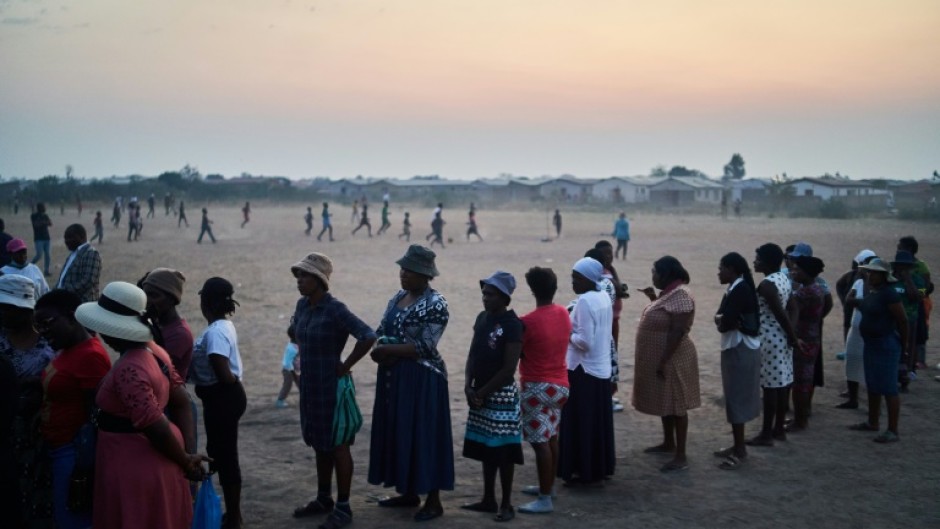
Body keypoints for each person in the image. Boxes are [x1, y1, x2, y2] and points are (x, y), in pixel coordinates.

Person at [74, 282, 208, 528]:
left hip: (135, 467)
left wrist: (186, 460)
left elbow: (153, 424)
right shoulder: (155, 351)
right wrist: (186, 453)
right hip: (161, 460)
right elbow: (182, 402)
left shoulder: (129, 368)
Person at [289, 253, 377, 529]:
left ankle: (343, 506)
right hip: (310, 387)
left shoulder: (335, 309)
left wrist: (346, 364)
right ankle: (323, 498)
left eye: (305, 276)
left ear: (319, 280)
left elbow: (368, 335)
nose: (299, 281)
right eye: (299, 276)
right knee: (319, 443)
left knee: (339, 445)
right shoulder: (302, 306)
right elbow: (293, 332)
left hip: (332, 388)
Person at [368, 245, 454, 522]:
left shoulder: (436, 304)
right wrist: (380, 347)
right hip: (395, 377)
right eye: (402, 269)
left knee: (424, 435)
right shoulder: (398, 297)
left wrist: (386, 352)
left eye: (409, 271)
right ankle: (408, 492)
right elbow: (382, 330)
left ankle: (433, 500)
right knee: (401, 433)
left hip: (422, 379)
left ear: (424, 275)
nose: (403, 274)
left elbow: (425, 347)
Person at [35, 289, 112, 529]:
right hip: (59, 450)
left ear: (72, 317)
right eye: (39, 327)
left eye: (47, 323)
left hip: (73, 455)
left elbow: (96, 417)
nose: (44, 332)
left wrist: (83, 470)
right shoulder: (67, 349)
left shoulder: (90, 356)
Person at [462, 271, 523, 522]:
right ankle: (489, 498)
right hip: (479, 393)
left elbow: (509, 369)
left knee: (503, 452)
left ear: (504, 297)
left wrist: (480, 392)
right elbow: (472, 354)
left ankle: (506, 503)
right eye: (484, 293)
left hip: (501, 396)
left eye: (490, 294)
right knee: (487, 448)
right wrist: (468, 385)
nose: (485, 298)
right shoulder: (482, 318)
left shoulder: (513, 325)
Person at [633, 256, 700, 472]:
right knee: (666, 399)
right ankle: (668, 443)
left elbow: (678, 330)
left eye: (655, 272)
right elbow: (664, 317)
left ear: (666, 273)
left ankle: (681, 455)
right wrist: (652, 298)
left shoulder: (681, 295)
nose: (652, 276)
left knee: (677, 403)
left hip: (674, 358)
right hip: (666, 358)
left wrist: (663, 360)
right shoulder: (671, 293)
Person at [190, 277, 246, 528]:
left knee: (225, 456)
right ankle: (232, 514)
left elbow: (221, 369)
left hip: (223, 396)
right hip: (224, 396)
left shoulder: (215, 332)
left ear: (206, 304)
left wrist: (232, 380)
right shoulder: (224, 325)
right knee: (221, 453)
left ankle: (234, 517)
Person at [1, 275, 56, 526]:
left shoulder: (50, 345)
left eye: (7, 308)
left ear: (25, 309)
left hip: (37, 437)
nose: (2, 313)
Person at [517, 267, 571, 514]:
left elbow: (517, 351)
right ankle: (548, 486)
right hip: (560, 385)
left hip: (536, 386)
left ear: (532, 290)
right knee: (552, 437)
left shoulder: (527, 322)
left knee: (540, 443)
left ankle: (545, 497)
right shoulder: (562, 312)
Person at [558, 257, 615, 484]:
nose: (573, 282)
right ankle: (598, 467)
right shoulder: (603, 296)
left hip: (582, 370)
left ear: (589, 279)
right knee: (597, 423)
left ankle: (580, 470)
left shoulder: (584, 302)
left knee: (580, 423)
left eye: (577, 278)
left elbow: (585, 341)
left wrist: (566, 334)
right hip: (600, 368)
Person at [845, 258, 909, 443]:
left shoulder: (888, 295)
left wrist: (903, 347)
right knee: (873, 384)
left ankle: (893, 430)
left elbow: (903, 321)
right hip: (873, 344)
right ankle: (873, 422)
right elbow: (863, 305)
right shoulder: (876, 292)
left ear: (883, 276)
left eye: (873, 272)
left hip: (884, 344)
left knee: (888, 388)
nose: (869, 274)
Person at [712, 253, 761, 470]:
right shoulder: (736, 287)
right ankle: (737, 445)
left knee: (737, 398)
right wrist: (722, 319)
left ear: (732, 269)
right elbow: (723, 318)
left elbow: (724, 321)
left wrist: (721, 320)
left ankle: (740, 449)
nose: (718, 272)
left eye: (721, 268)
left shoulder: (739, 289)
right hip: (736, 347)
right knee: (734, 396)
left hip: (739, 348)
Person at [747, 243, 798, 446]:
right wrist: (790, 334)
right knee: (782, 384)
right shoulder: (783, 278)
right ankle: (778, 429)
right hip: (781, 338)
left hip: (770, 339)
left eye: (758, 258)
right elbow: (793, 308)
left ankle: (766, 434)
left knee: (770, 387)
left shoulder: (767, 285)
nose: (754, 261)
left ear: (766, 261)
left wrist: (791, 336)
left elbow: (780, 313)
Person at [787, 255, 826, 432]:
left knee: (800, 383)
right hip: (812, 337)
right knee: (803, 382)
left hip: (803, 341)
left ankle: (800, 421)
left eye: (797, 270)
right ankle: (800, 418)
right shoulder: (817, 288)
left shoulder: (805, 292)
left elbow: (788, 308)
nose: (793, 272)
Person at [837, 250, 878, 409]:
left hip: (872, 331)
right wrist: (866, 304)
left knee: (871, 367)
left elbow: (852, 300)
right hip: (856, 329)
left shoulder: (882, 288)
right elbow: (848, 299)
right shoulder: (859, 283)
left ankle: (872, 406)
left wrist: (859, 303)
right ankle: (853, 398)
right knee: (852, 362)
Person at [140, 268, 194, 380]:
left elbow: (151, 368)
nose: (147, 301)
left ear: (171, 299)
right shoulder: (156, 323)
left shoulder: (180, 335)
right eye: (144, 295)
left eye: (154, 295)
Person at [889, 251, 924, 389]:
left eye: (906, 266)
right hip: (891, 320)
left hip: (909, 320)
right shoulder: (889, 279)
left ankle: (904, 378)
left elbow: (918, 297)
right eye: (900, 266)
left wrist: (908, 279)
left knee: (907, 348)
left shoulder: (918, 280)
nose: (903, 269)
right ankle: (892, 375)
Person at [55, 224, 101, 304]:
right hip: (66, 301)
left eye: (70, 237)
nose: (66, 241)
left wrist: (62, 291)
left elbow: (88, 281)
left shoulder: (91, 253)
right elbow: (63, 278)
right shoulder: (73, 253)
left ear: (82, 237)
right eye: (65, 238)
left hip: (82, 304)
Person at [276, 331, 300, 408]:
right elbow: (287, 363)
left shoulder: (295, 345)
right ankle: (280, 400)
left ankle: (306, 399)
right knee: (287, 385)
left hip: (294, 370)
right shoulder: (292, 348)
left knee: (301, 384)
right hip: (288, 370)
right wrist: (293, 372)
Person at [30, 201, 53, 276]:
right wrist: (44, 222)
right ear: (40, 208)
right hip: (38, 238)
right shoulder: (34, 216)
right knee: (39, 255)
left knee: (48, 255)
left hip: (46, 237)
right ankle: (30, 266)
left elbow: (50, 223)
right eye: (43, 207)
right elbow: (36, 225)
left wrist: (43, 222)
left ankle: (46, 270)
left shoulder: (45, 215)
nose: (45, 208)